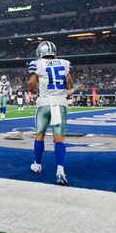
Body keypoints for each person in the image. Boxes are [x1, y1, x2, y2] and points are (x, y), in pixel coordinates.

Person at [28, 41, 73, 186]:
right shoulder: (64, 63)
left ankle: (37, 164)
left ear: (40, 52)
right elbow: (70, 85)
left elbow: (31, 85)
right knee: (59, 139)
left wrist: (34, 82)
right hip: (59, 103)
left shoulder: (38, 63)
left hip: (44, 103)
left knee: (39, 135)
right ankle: (60, 170)